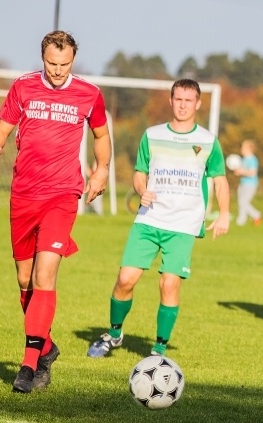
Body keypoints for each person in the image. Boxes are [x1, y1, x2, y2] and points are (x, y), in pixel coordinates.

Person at [0, 31, 111, 393]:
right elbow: (2, 131)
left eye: (65, 64)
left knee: (45, 276)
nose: (58, 71)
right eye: (51, 64)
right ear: (42, 58)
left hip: (62, 194)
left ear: (73, 59)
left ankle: (30, 367)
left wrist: (101, 168)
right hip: (24, 195)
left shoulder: (89, 95)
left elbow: (102, 136)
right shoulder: (23, 88)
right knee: (25, 283)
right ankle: (46, 345)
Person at [86, 79, 229, 359]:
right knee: (126, 279)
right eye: (178, 99)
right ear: (171, 100)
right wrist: (142, 190)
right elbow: (140, 172)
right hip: (149, 220)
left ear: (198, 103)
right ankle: (113, 335)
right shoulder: (151, 135)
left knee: (169, 283)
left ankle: (159, 350)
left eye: (189, 100)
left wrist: (224, 213)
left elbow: (220, 180)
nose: (183, 105)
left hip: (184, 224)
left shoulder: (208, 141)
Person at [234, 139, 262, 226]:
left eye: (243, 148)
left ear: (249, 149)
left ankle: (256, 215)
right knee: (240, 202)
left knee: (243, 202)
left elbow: (252, 173)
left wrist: (242, 172)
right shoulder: (244, 159)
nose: (241, 149)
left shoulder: (252, 160)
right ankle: (242, 219)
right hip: (243, 183)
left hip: (250, 184)